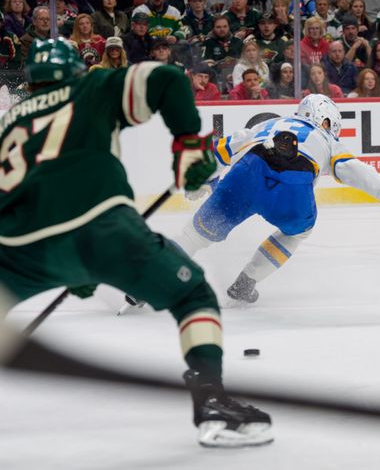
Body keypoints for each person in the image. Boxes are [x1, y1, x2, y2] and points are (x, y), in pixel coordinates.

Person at [0, 37, 272, 447]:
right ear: (74, 69)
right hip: (98, 225)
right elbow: (166, 79)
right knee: (193, 293)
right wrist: (185, 142)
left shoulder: (8, 121)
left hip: (14, 246)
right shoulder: (90, 87)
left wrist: (68, 263)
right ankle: (212, 401)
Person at [173, 94, 380, 303]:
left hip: (248, 171)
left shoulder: (267, 125)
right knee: (298, 231)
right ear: (324, 120)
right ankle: (245, 283)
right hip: (293, 184)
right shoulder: (325, 139)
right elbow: (353, 169)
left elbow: (220, 151)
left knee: (194, 235)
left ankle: (149, 281)